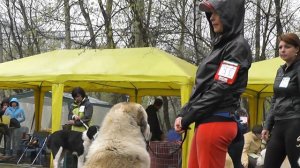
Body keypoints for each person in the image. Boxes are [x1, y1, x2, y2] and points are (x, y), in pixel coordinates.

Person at [173, 0, 252, 167]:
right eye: (210, 14)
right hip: (206, 122)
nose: (211, 18)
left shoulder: (237, 46)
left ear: (229, 14)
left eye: (216, 13)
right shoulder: (220, 47)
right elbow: (203, 87)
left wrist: (188, 117)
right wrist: (183, 113)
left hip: (217, 122)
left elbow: (220, 89)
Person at [261, 33, 300, 167]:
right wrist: (267, 125)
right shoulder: (280, 71)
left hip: (295, 124)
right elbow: (275, 100)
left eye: (287, 46)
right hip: (278, 125)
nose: (282, 50)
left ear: (297, 49)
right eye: (280, 47)